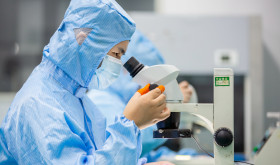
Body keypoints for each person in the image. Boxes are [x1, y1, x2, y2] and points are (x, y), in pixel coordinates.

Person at [0, 0, 171, 164]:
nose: (118, 65)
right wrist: (130, 124)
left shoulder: (78, 99)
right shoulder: (38, 103)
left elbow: (98, 156)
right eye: (117, 54)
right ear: (86, 42)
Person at [87, 30, 198, 158]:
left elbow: (142, 155)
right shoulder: (100, 100)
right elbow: (125, 146)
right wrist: (169, 106)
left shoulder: (121, 101)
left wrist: (193, 157)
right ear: (125, 72)